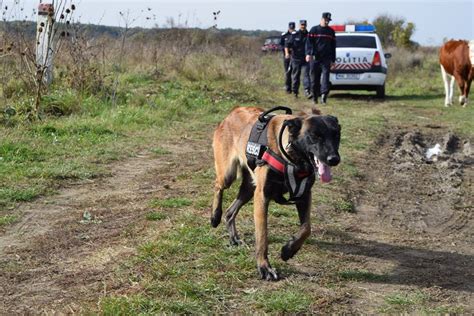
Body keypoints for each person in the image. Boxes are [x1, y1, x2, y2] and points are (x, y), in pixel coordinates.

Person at [306, 12, 336, 104]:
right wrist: (308, 54)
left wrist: (333, 60)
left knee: (325, 78)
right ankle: (315, 97)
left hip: (326, 59)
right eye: (326, 20)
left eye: (328, 20)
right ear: (322, 19)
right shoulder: (314, 30)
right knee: (314, 79)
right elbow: (309, 43)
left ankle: (323, 96)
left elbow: (333, 46)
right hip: (315, 58)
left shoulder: (331, 32)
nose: (327, 22)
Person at [285, 20, 311, 98]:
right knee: (296, 75)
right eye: (302, 25)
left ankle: (307, 91)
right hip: (296, 58)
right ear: (299, 25)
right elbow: (287, 45)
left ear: (306, 25)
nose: (303, 26)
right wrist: (287, 53)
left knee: (306, 75)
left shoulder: (309, 35)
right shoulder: (294, 34)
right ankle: (295, 92)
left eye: (304, 25)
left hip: (305, 58)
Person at [280, 22, 295, 94]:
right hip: (287, 56)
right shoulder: (284, 35)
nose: (291, 29)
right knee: (288, 72)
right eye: (290, 28)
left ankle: (295, 88)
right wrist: (286, 52)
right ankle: (288, 88)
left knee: (294, 72)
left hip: (295, 56)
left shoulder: (296, 35)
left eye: (293, 28)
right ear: (288, 27)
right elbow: (281, 45)